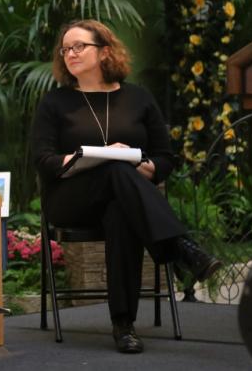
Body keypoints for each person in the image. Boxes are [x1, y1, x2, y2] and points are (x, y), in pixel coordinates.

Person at [31, 19, 223, 354]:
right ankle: (180, 248)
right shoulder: (55, 102)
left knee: (121, 208)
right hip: (69, 199)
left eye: (79, 46)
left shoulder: (139, 98)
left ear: (104, 51)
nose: (70, 54)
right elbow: (44, 161)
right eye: (65, 49)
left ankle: (124, 325)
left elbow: (164, 159)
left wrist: (141, 165)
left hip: (123, 197)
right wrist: (93, 157)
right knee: (115, 168)